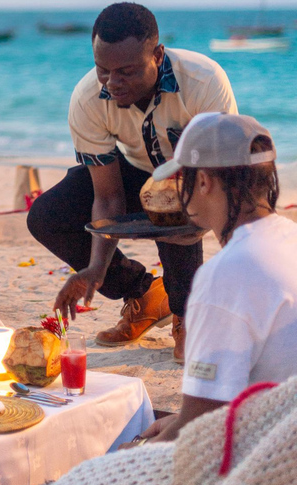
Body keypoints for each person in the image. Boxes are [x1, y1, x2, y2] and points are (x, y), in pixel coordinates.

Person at [27, 2, 237, 362]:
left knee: (172, 212)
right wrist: (96, 268)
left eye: (125, 71)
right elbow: (107, 197)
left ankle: (187, 315)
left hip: (202, 177)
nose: (112, 83)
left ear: (157, 55)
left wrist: (202, 223)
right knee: (47, 216)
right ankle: (143, 293)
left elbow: (225, 176)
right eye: (102, 70)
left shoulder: (204, 82)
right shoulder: (88, 98)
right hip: (136, 172)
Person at [124, 112, 297, 446]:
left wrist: (136, 455)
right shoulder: (288, 239)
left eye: (182, 180)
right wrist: (179, 419)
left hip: (268, 461)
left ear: (203, 182)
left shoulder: (225, 275)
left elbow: (200, 420)